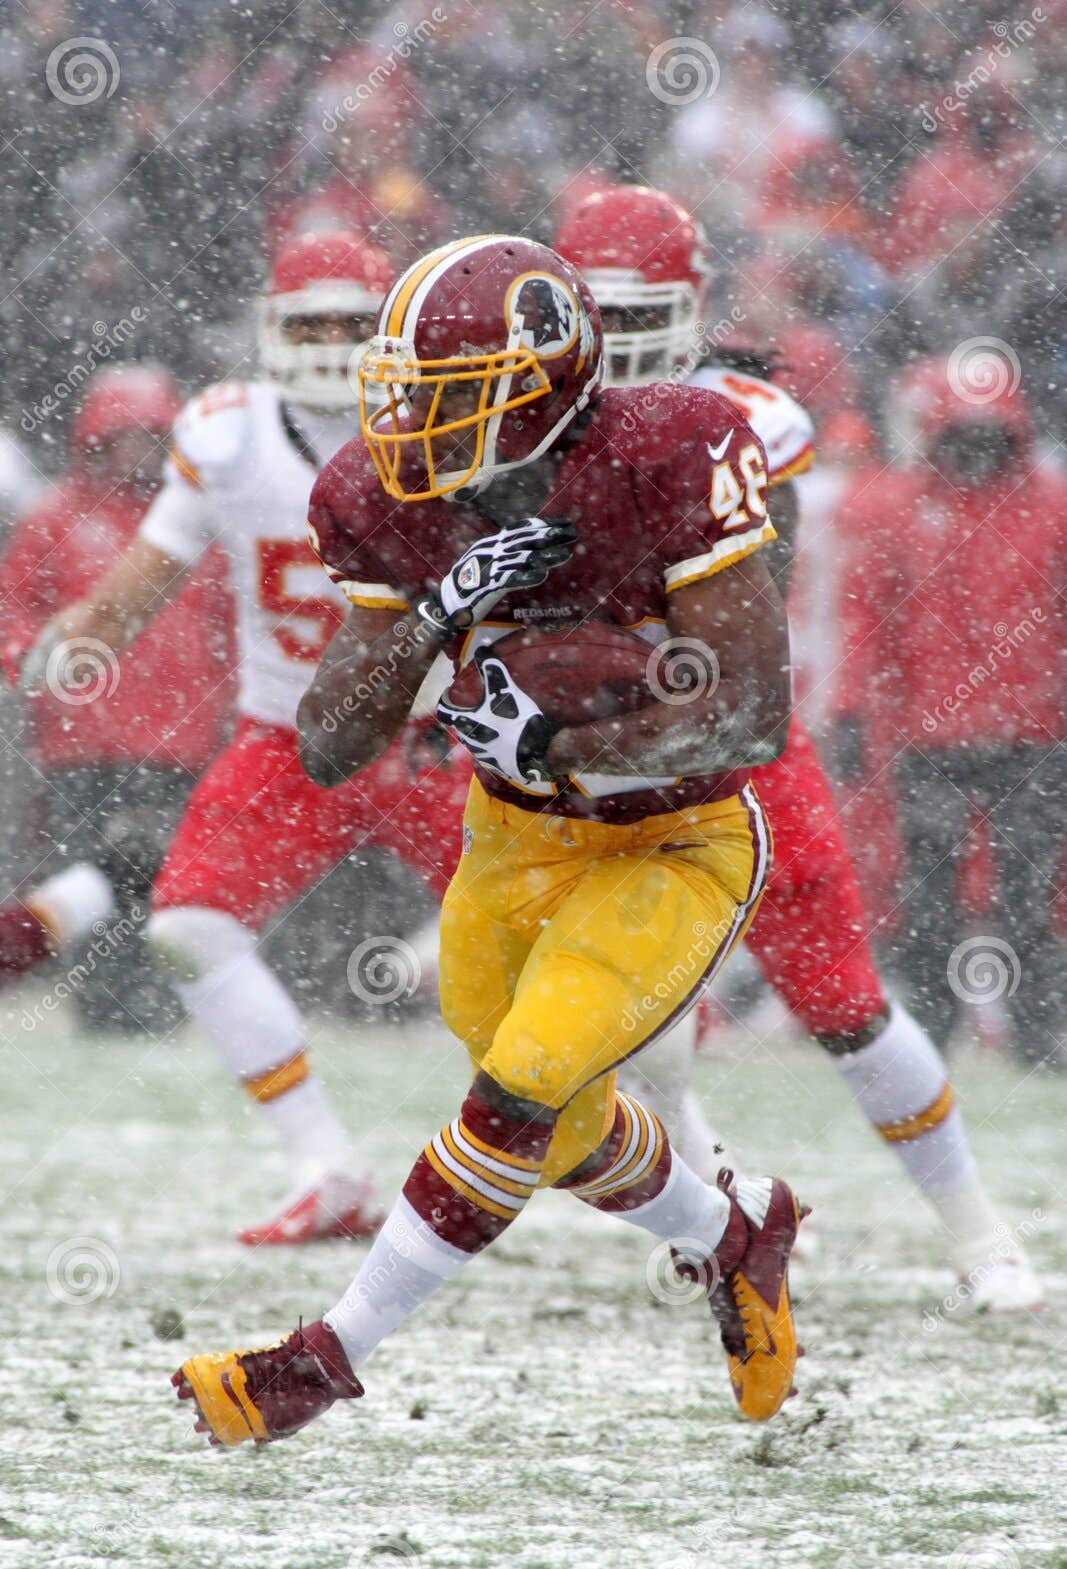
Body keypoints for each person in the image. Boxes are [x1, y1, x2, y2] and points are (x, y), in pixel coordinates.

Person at [172, 231, 808, 1448]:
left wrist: (567, 744)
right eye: (405, 390)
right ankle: (737, 1232)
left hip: (672, 842)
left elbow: (749, 711)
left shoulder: (671, 446)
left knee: (517, 1088)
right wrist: (431, 611)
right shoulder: (386, 495)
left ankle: (319, 1361)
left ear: (541, 384)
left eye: (446, 394)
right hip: (509, 842)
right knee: (557, 1128)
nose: (409, 421)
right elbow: (328, 744)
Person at [554, 185, 1043, 1310]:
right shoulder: (522, 422)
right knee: (640, 1033)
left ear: (690, 309)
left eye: (639, 317)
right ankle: (726, 1214)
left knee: (843, 1006)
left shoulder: (747, 417)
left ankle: (978, 1233)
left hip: (730, 744)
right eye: (598, 316)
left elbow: (731, 611)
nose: (617, 343)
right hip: (605, 753)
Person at [18, 232, 469, 1245]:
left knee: (561, 954)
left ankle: (684, 1176)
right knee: (188, 925)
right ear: (270, 330)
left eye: (351, 324)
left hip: (439, 736)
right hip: (293, 739)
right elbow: (145, 579)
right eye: (310, 325)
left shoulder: (448, 422)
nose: (330, 344)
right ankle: (324, 1164)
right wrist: (74, 640)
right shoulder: (227, 431)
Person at [838, 356, 1067, 1071]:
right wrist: (849, 708)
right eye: (963, 433)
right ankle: (931, 1033)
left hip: (1032, 734)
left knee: (1031, 895)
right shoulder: (901, 509)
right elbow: (865, 616)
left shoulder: (1054, 508)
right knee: (928, 897)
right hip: (933, 737)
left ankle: (1037, 1031)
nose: (976, 448)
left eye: (989, 433)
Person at [0, 364, 234, 1034]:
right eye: (123, 436)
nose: (138, 451)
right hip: (81, 748)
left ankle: (161, 1008)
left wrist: (232, 707)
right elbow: (12, 608)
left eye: (150, 437)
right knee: (90, 879)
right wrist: (30, 658)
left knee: (171, 885)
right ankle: (102, 1008)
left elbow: (231, 624)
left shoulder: (197, 518)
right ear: (93, 440)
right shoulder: (54, 520)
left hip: (181, 746)